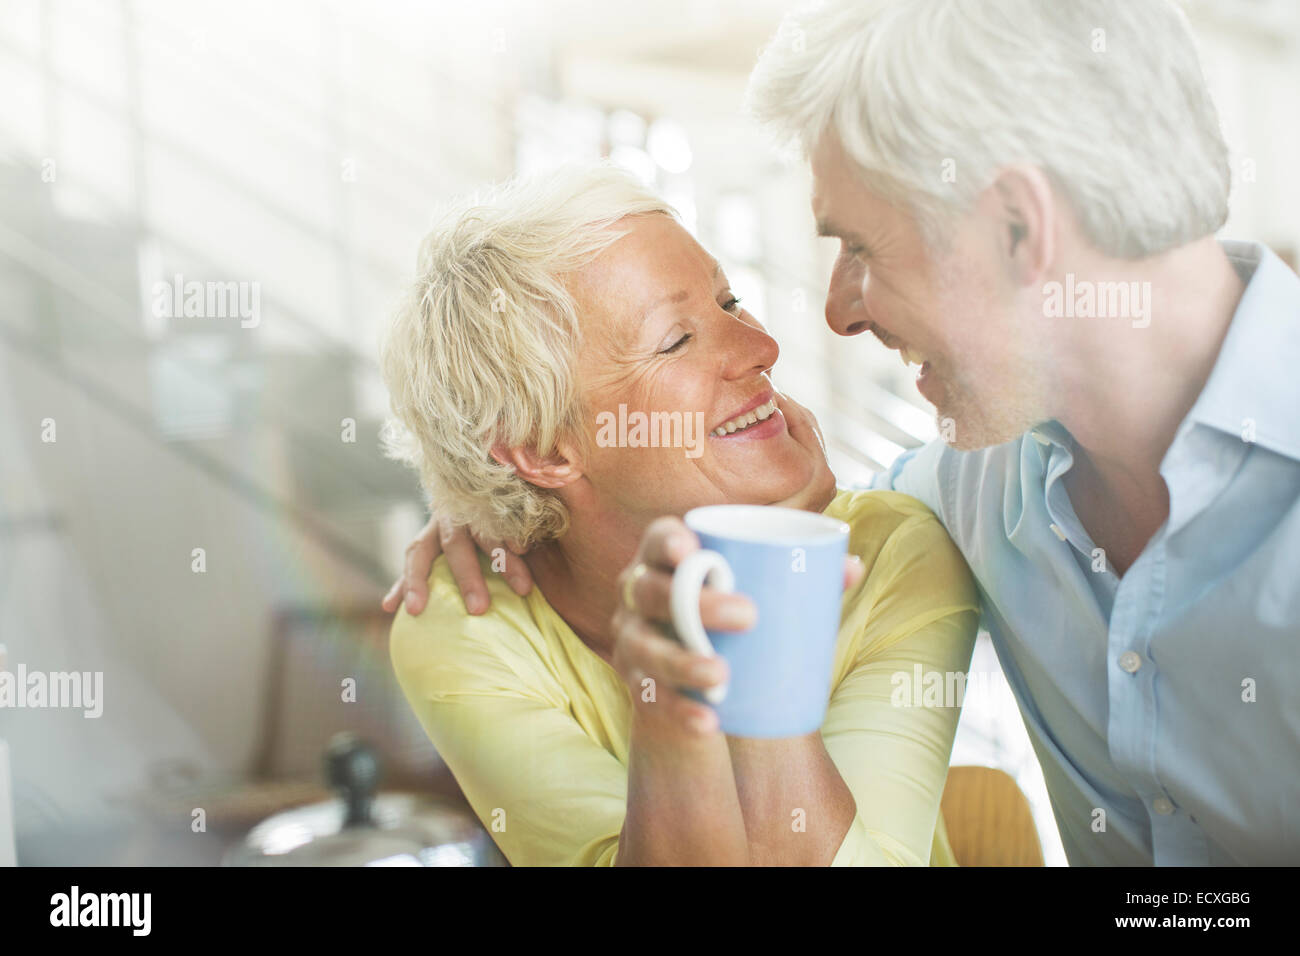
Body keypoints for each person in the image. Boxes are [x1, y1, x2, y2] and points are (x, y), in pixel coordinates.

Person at [387, 0, 1300, 865]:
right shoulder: (974, 497)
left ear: (1024, 227)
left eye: (859, 246)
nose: (827, 317)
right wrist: (499, 507)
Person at [380, 163, 979, 866]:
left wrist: (768, 568)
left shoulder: (891, 555)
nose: (761, 349)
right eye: (675, 341)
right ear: (541, 450)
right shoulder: (470, 625)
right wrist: (671, 719)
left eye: (729, 303)